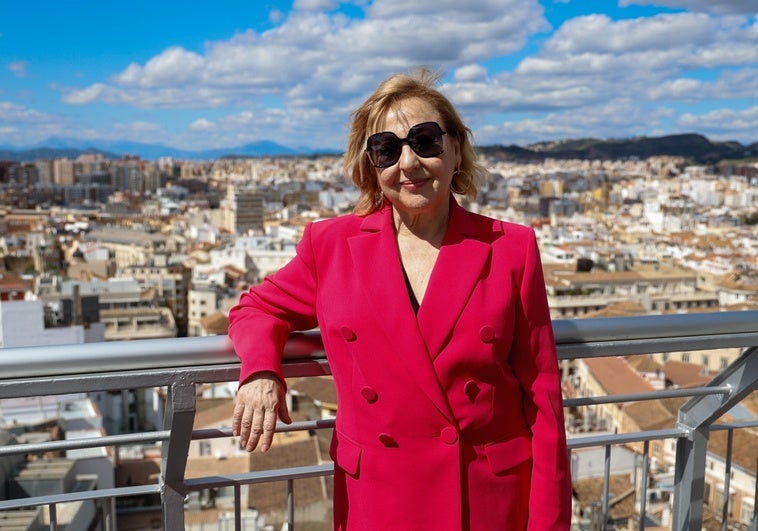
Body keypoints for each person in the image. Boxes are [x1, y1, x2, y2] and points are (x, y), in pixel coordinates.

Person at [229, 68, 572, 530]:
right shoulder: (330, 246)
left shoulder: (511, 248)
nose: (407, 163)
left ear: (455, 151)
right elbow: (256, 308)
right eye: (386, 149)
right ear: (372, 167)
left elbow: (543, 399)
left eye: (425, 140)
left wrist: (548, 523)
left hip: (485, 499)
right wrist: (262, 371)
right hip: (378, 496)